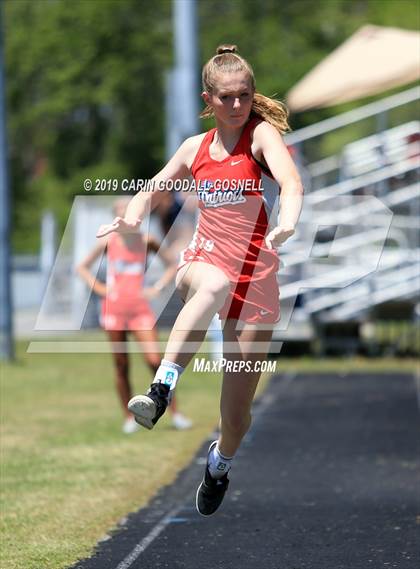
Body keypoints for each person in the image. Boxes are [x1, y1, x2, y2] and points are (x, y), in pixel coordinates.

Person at [97, 45, 304, 515]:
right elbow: (154, 187)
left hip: (256, 280)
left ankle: (220, 464)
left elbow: (290, 182)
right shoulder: (194, 148)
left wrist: (288, 220)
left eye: (244, 96)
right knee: (211, 286)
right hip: (205, 261)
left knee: (235, 417)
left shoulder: (261, 135)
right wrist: (132, 216)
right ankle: (161, 388)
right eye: (226, 98)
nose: (236, 106)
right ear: (208, 99)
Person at [78, 197, 193, 434]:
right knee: (121, 365)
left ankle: (174, 412)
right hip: (115, 310)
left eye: (130, 213)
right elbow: (81, 267)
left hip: (140, 309)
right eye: (121, 214)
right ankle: (128, 418)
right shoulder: (109, 242)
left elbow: (172, 264)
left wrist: (159, 286)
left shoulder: (147, 241)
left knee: (154, 361)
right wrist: (100, 289)